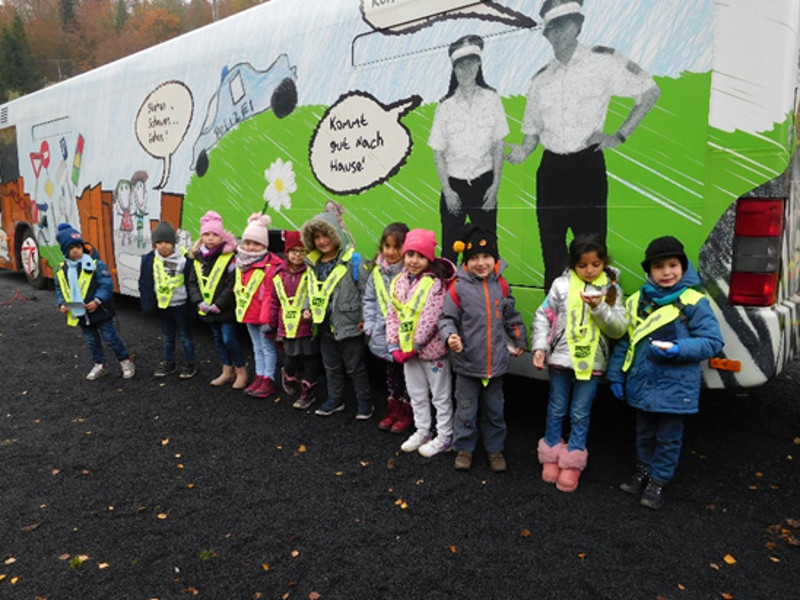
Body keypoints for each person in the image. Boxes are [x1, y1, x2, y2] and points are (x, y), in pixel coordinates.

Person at [506, 0, 660, 289]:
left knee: (590, 253)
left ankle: (594, 323)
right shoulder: (540, 80)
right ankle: (555, 324)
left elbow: (650, 91)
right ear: (546, 34)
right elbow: (532, 135)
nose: (560, 33)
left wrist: (620, 134)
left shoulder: (602, 61)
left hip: (586, 166)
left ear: (578, 25)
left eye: (566, 24)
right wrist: (521, 151)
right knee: (552, 254)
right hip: (550, 170)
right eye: (553, 28)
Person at [607, 236, 723, 509]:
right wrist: (615, 374)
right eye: (659, 266)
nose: (667, 272)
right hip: (643, 383)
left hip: (676, 387)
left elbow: (713, 341)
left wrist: (678, 348)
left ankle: (658, 481)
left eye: (673, 265)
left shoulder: (694, 301)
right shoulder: (638, 301)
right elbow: (627, 341)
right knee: (644, 432)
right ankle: (643, 470)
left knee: (669, 438)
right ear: (649, 271)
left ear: (683, 267)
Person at [531, 234, 627, 492]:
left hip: (592, 363)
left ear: (603, 262)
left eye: (595, 264)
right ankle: (551, 453)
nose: (589, 270)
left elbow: (619, 329)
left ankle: (572, 460)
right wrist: (540, 347)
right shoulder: (560, 286)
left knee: (580, 413)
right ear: (573, 263)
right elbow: (543, 317)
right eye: (582, 265)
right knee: (556, 408)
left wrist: (600, 308)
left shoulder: (611, 289)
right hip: (560, 359)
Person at [439, 225, 527, 473]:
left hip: (496, 365)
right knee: (466, 409)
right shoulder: (458, 288)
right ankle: (465, 449)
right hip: (467, 363)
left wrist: (520, 340)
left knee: (495, 411)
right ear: (466, 261)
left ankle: (494, 450)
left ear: (495, 259)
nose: (481, 263)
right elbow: (446, 319)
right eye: (474, 258)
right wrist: (450, 336)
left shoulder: (502, 286)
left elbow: (511, 316)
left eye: (486, 257)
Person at [429, 34, 509, 263]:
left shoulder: (491, 99)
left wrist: (494, 187)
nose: (466, 69)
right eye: (461, 64)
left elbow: (498, 146)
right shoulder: (445, 106)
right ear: (454, 69)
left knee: (486, 247)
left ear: (478, 64)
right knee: (450, 250)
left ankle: (488, 296)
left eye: (471, 62)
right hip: (454, 186)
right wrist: (447, 190)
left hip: (484, 184)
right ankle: (448, 295)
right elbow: (438, 153)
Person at [386, 228, 456, 457]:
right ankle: (423, 430)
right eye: (410, 254)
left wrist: (415, 346)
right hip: (406, 351)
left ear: (429, 258)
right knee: (416, 393)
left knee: (440, 395)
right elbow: (392, 314)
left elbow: (431, 318)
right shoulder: (398, 281)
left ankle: (445, 435)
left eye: (420, 256)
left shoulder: (435, 283)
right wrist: (393, 345)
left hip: (431, 351)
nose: (414, 261)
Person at [300, 210, 372, 418]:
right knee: (330, 366)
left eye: (326, 235)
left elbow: (365, 292)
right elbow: (309, 289)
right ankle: (335, 399)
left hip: (348, 324)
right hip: (323, 325)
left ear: (336, 236)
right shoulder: (312, 264)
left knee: (355, 367)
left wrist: (365, 318)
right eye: (317, 237)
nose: (322, 241)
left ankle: (365, 401)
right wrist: (306, 308)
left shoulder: (352, 260)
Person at [54, 222, 135, 380]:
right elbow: (60, 288)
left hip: (100, 310)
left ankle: (125, 360)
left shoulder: (95, 264)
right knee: (91, 340)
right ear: (65, 250)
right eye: (71, 248)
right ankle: (100, 364)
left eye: (78, 246)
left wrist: (98, 300)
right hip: (80, 312)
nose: (76, 250)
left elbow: (106, 285)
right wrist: (62, 303)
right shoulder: (61, 269)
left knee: (110, 337)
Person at [186, 210, 247, 389]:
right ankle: (227, 371)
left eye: (215, 234)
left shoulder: (230, 257)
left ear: (222, 236)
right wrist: (199, 302)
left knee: (228, 338)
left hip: (225, 309)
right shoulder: (198, 257)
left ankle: (241, 370)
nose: (210, 238)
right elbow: (192, 282)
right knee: (218, 340)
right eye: (206, 234)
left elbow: (233, 284)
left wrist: (219, 304)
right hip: (206, 308)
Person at [362, 222, 413, 433]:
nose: (391, 252)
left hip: (406, 336)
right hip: (384, 334)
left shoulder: (411, 272)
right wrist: (371, 327)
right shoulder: (377, 272)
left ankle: (408, 411)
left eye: (397, 247)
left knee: (409, 374)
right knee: (392, 373)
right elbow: (369, 300)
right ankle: (394, 406)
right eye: (387, 246)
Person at [269, 230, 320, 410]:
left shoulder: (311, 273)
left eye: (302, 251)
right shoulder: (278, 274)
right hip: (287, 326)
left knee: (309, 359)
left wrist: (311, 313)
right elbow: (274, 301)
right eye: (293, 251)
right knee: (291, 358)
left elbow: (316, 296)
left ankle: (307, 393)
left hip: (306, 325)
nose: (297, 255)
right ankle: (288, 375)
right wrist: (272, 324)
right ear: (287, 252)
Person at [138, 221, 196, 378]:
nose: (164, 246)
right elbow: (145, 282)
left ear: (173, 242)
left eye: (167, 242)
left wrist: (194, 305)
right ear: (154, 244)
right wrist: (148, 304)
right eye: (159, 242)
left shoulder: (184, 259)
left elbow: (192, 282)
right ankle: (169, 362)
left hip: (181, 305)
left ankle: (189, 364)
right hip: (163, 305)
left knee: (185, 336)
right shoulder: (150, 259)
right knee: (167, 337)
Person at [234, 213, 284, 398]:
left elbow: (271, 294)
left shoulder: (271, 265)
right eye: (247, 242)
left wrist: (267, 319)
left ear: (265, 245)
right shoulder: (241, 263)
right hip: (248, 312)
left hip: (264, 316)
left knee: (267, 347)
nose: (250, 247)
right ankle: (260, 375)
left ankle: (268, 379)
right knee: (256, 347)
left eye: (256, 244)